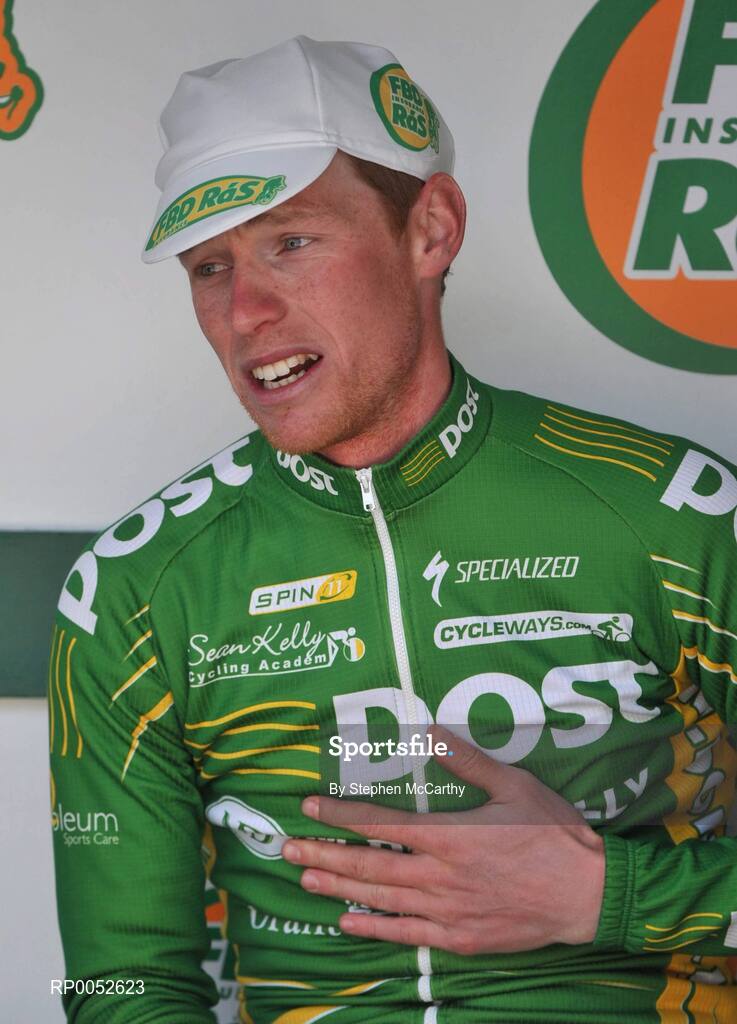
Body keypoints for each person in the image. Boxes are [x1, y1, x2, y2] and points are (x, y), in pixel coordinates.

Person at [49, 35, 737, 1024]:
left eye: (290, 242)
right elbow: (116, 984)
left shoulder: (670, 512)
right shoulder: (135, 587)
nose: (245, 311)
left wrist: (606, 896)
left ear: (430, 231)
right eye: (209, 266)